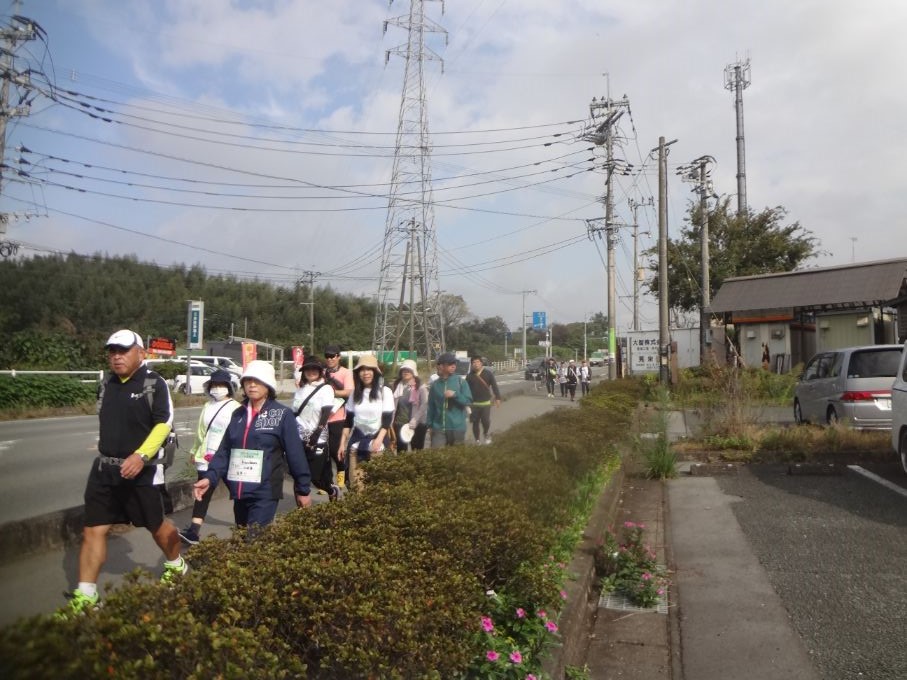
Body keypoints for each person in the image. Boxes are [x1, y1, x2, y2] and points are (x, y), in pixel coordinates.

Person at [60, 330, 185, 617]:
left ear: (140, 353)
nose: (116, 356)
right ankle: (86, 595)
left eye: (123, 350)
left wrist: (141, 456)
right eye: (112, 351)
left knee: (156, 525)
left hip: (141, 470)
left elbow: (164, 423)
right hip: (105, 469)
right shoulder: (107, 384)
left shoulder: (154, 383)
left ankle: (177, 564)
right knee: (93, 529)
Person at [193, 360, 312, 534]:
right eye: (248, 381)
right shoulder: (238, 413)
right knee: (242, 540)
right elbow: (224, 450)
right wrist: (209, 477)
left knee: (253, 540)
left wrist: (303, 488)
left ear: (268, 386)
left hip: (265, 491)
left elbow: (295, 454)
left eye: (257, 381)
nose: (252, 385)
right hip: (240, 491)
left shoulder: (281, 414)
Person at [178, 369, 241, 545]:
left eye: (221, 385)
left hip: (228, 457)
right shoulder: (207, 406)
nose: (217, 388)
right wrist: (194, 450)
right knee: (203, 493)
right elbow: (201, 432)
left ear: (228, 387)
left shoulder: (237, 408)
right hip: (206, 456)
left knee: (238, 493)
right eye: (214, 385)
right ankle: (193, 532)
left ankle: (243, 527)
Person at [337, 355, 395, 490]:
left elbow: (387, 420)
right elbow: (348, 421)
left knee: (380, 487)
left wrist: (379, 439)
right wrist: (342, 443)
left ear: (375, 372)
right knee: (357, 486)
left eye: (369, 369)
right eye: (362, 370)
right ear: (358, 373)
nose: (366, 373)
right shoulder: (354, 394)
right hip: (357, 445)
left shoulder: (385, 391)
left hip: (378, 445)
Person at [292, 355, 339, 500]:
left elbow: (325, 414)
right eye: (307, 369)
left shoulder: (326, 389)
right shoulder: (300, 391)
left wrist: (316, 434)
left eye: (314, 369)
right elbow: (294, 414)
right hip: (299, 438)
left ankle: (331, 491)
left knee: (314, 476)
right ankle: (301, 509)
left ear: (320, 371)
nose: (311, 371)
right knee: (298, 474)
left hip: (318, 439)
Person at [426, 352, 473, 448]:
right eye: (450, 364)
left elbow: (468, 401)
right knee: (437, 457)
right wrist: (430, 425)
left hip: (457, 428)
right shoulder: (435, 385)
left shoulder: (461, 382)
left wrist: (455, 395)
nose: (453, 366)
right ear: (441, 366)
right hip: (438, 428)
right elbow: (431, 406)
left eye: (454, 364)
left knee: (456, 459)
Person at [323, 344, 353, 490]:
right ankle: (326, 482)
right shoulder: (321, 372)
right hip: (322, 418)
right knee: (323, 452)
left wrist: (331, 392)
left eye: (332, 356)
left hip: (339, 417)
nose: (329, 359)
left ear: (338, 357)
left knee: (336, 450)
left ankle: (343, 475)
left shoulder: (346, 373)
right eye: (327, 356)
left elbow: (349, 392)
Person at [391, 359, 428, 451]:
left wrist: (415, 419)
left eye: (408, 370)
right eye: (404, 370)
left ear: (413, 372)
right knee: (401, 451)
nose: (406, 372)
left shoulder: (421, 387)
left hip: (417, 424)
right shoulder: (397, 386)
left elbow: (425, 404)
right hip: (400, 423)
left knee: (417, 451)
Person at [464, 353, 501, 444]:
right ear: (471, 364)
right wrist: (466, 403)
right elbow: (465, 390)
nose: (476, 364)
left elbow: (494, 386)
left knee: (486, 420)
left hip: (486, 403)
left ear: (481, 363)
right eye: (473, 362)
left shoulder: (488, 374)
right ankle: (477, 440)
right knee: (475, 422)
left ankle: (486, 433)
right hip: (474, 404)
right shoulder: (469, 376)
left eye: (477, 362)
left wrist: (498, 398)